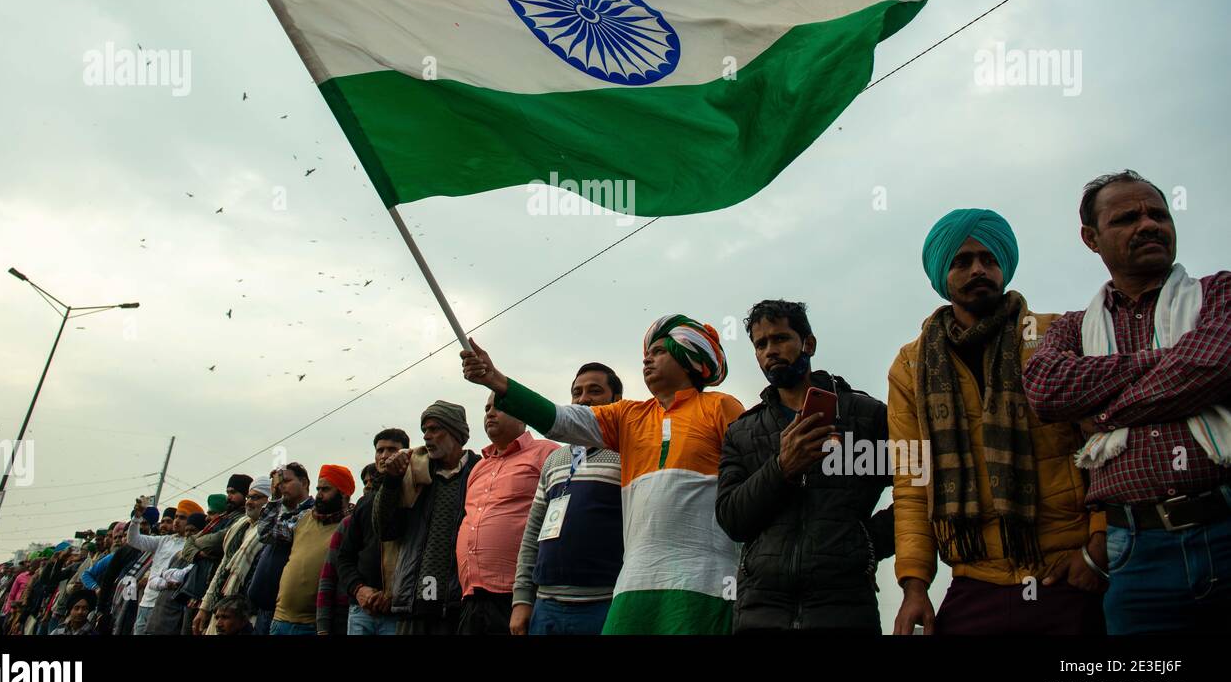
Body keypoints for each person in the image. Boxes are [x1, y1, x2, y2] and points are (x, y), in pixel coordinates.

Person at [1024, 170, 1231, 633]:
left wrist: (1102, 411)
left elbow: (1211, 367)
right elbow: (1046, 388)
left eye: (1159, 214)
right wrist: (1166, 359)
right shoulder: (1075, 328)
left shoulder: (1219, 293)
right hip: (1135, 552)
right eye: (1128, 218)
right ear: (1091, 239)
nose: (1149, 225)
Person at [889, 208, 1105, 635]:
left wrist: (1099, 549)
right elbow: (912, 482)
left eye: (988, 259)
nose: (978, 269)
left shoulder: (1056, 337)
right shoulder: (911, 365)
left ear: (1005, 264)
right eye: (962, 261)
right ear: (941, 273)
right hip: (975, 579)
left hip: (1066, 571)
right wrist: (915, 588)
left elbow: (1102, 449)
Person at [462, 314, 744, 634]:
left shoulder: (722, 407)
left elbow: (750, 486)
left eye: (660, 351)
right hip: (634, 585)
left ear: (690, 359)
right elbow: (560, 419)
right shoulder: (628, 416)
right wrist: (496, 381)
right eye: (646, 354)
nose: (648, 358)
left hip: (703, 582)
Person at [717, 299, 895, 632]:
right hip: (760, 609)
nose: (770, 350)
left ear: (808, 343)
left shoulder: (867, 416)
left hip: (844, 607)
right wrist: (782, 467)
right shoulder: (741, 432)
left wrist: (866, 543)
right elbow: (731, 518)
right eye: (761, 344)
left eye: (781, 338)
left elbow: (922, 484)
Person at [512, 363, 624, 635]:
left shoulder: (627, 454)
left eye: (595, 391)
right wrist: (522, 600)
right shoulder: (554, 460)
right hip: (546, 605)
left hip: (605, 603)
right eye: (577, 392)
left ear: (617, 401)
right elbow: (533, 532)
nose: (583, 398)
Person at [454, 393, 559, 634]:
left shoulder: (546, 453)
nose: (490, 412)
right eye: (487, 408)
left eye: (499, 407)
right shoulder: (479, 467)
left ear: (523, 414)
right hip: (471, 598)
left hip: (518, 597)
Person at [374, 402, 481, 635]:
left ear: (455, 432)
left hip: (458, 604)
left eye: (434, 429)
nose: (427, 436)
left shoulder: (479, 471)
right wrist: (391, 482)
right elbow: (385, 529)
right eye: (424, 430)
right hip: (414, 604)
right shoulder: (414, 473)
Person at [338, 429, 409, 636]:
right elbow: (345, 556)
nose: (385, 456)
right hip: (362, 609)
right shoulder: (364, 503)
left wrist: (395, 596)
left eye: (392, 450)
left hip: (398, 612)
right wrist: (359, 590)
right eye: (380, 450)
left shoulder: (415, 494)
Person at [271, 465, 354, 635]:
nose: (319, 495)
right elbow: (267, 533)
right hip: (280, 620)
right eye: (318, 489)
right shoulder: (304, 517)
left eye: (325, 489)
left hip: (314, 625)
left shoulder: (350, 526)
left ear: (344, 494)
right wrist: (275, 497)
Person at [194, 477, 271, 634]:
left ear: (270, 501)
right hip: (222, 608)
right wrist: (205, 607)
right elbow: (223, 568)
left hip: (249, 615)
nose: (249, 502)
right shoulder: (240, 526)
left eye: (256, 498)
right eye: (249, 497)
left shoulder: (271, 531)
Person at [250, 463, 314, 634]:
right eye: (279, 483)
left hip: (284, 611)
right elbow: (264, 532)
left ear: (304, 483)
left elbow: (269, 533)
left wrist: (275, 498)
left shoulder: (310, 514)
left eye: (286, 481)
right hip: (265, 607)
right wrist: (275, 499)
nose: (281, 486)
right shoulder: (282, 511)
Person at [125, 496, 190, 634]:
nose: (177, 520)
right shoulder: (164, 540)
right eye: (176, 516)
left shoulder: (191, 545)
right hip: (146, 602)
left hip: (164, 606)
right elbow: (133, 540)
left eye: (182, 518)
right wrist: (137, 517)